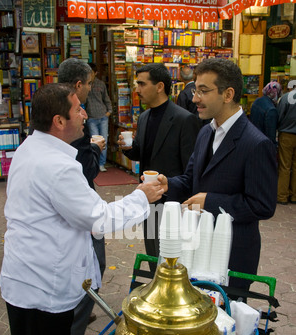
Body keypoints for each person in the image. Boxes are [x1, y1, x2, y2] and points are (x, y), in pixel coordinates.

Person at [0, 83, 164, 335]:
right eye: (78, 109)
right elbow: (98, 219)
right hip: (40, 288)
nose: (85, 114)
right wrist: (141, 197)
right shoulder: (56, 166)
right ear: (59, 121)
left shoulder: (34, 148)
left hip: (29, 280)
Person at [158, 58, 277, 294]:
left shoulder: (256, 144)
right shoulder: (206, 132)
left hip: (231, 256)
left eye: (203, 91)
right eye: (195, 90)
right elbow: (192, 180)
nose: (194, 99)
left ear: (228, 94)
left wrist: (210, 202)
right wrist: (166, 184)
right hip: (197, 250)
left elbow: (262, 206)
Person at [118, 63, 201, 263]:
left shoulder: (185, 119)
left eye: (141, 84)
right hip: (149, 201)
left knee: (173, 261)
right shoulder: (145, 116)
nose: (137, 90)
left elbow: (191, 169)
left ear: (159, 86)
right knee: (153, 256)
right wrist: (129, 148)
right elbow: (143, 152)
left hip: (174, 204)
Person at [57, 58, 106, 335]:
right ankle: (73, 331)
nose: (90, 88)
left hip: (65, 200)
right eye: (88, 83)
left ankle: (79, 313)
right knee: (94, 263)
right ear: (78, 85)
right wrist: (95, 148)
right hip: (78, 201)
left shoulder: (53, 106)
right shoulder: (75, 115)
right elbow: (84, 168)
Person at [85, 62, 113, 172]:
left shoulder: (101, 84)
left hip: (103, 116)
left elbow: (106, 98)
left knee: (104, 140)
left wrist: (109, 112)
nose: (90, 75)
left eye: (91, 73)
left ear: (95, 73)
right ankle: (95, 163)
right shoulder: (85, 84)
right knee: (94, 141)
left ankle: (102, 163)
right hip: (91, 118)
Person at [277, 86, 296, 204]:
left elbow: (279, 116)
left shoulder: (286, 98)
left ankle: (282, 196)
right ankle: (294, 196)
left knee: (285, 166)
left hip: (287, 134)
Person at [250, 81, 281, 147]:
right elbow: (270, 135)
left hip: (252, 140)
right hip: (263, 145)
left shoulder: (257, 101)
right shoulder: (271, 110)